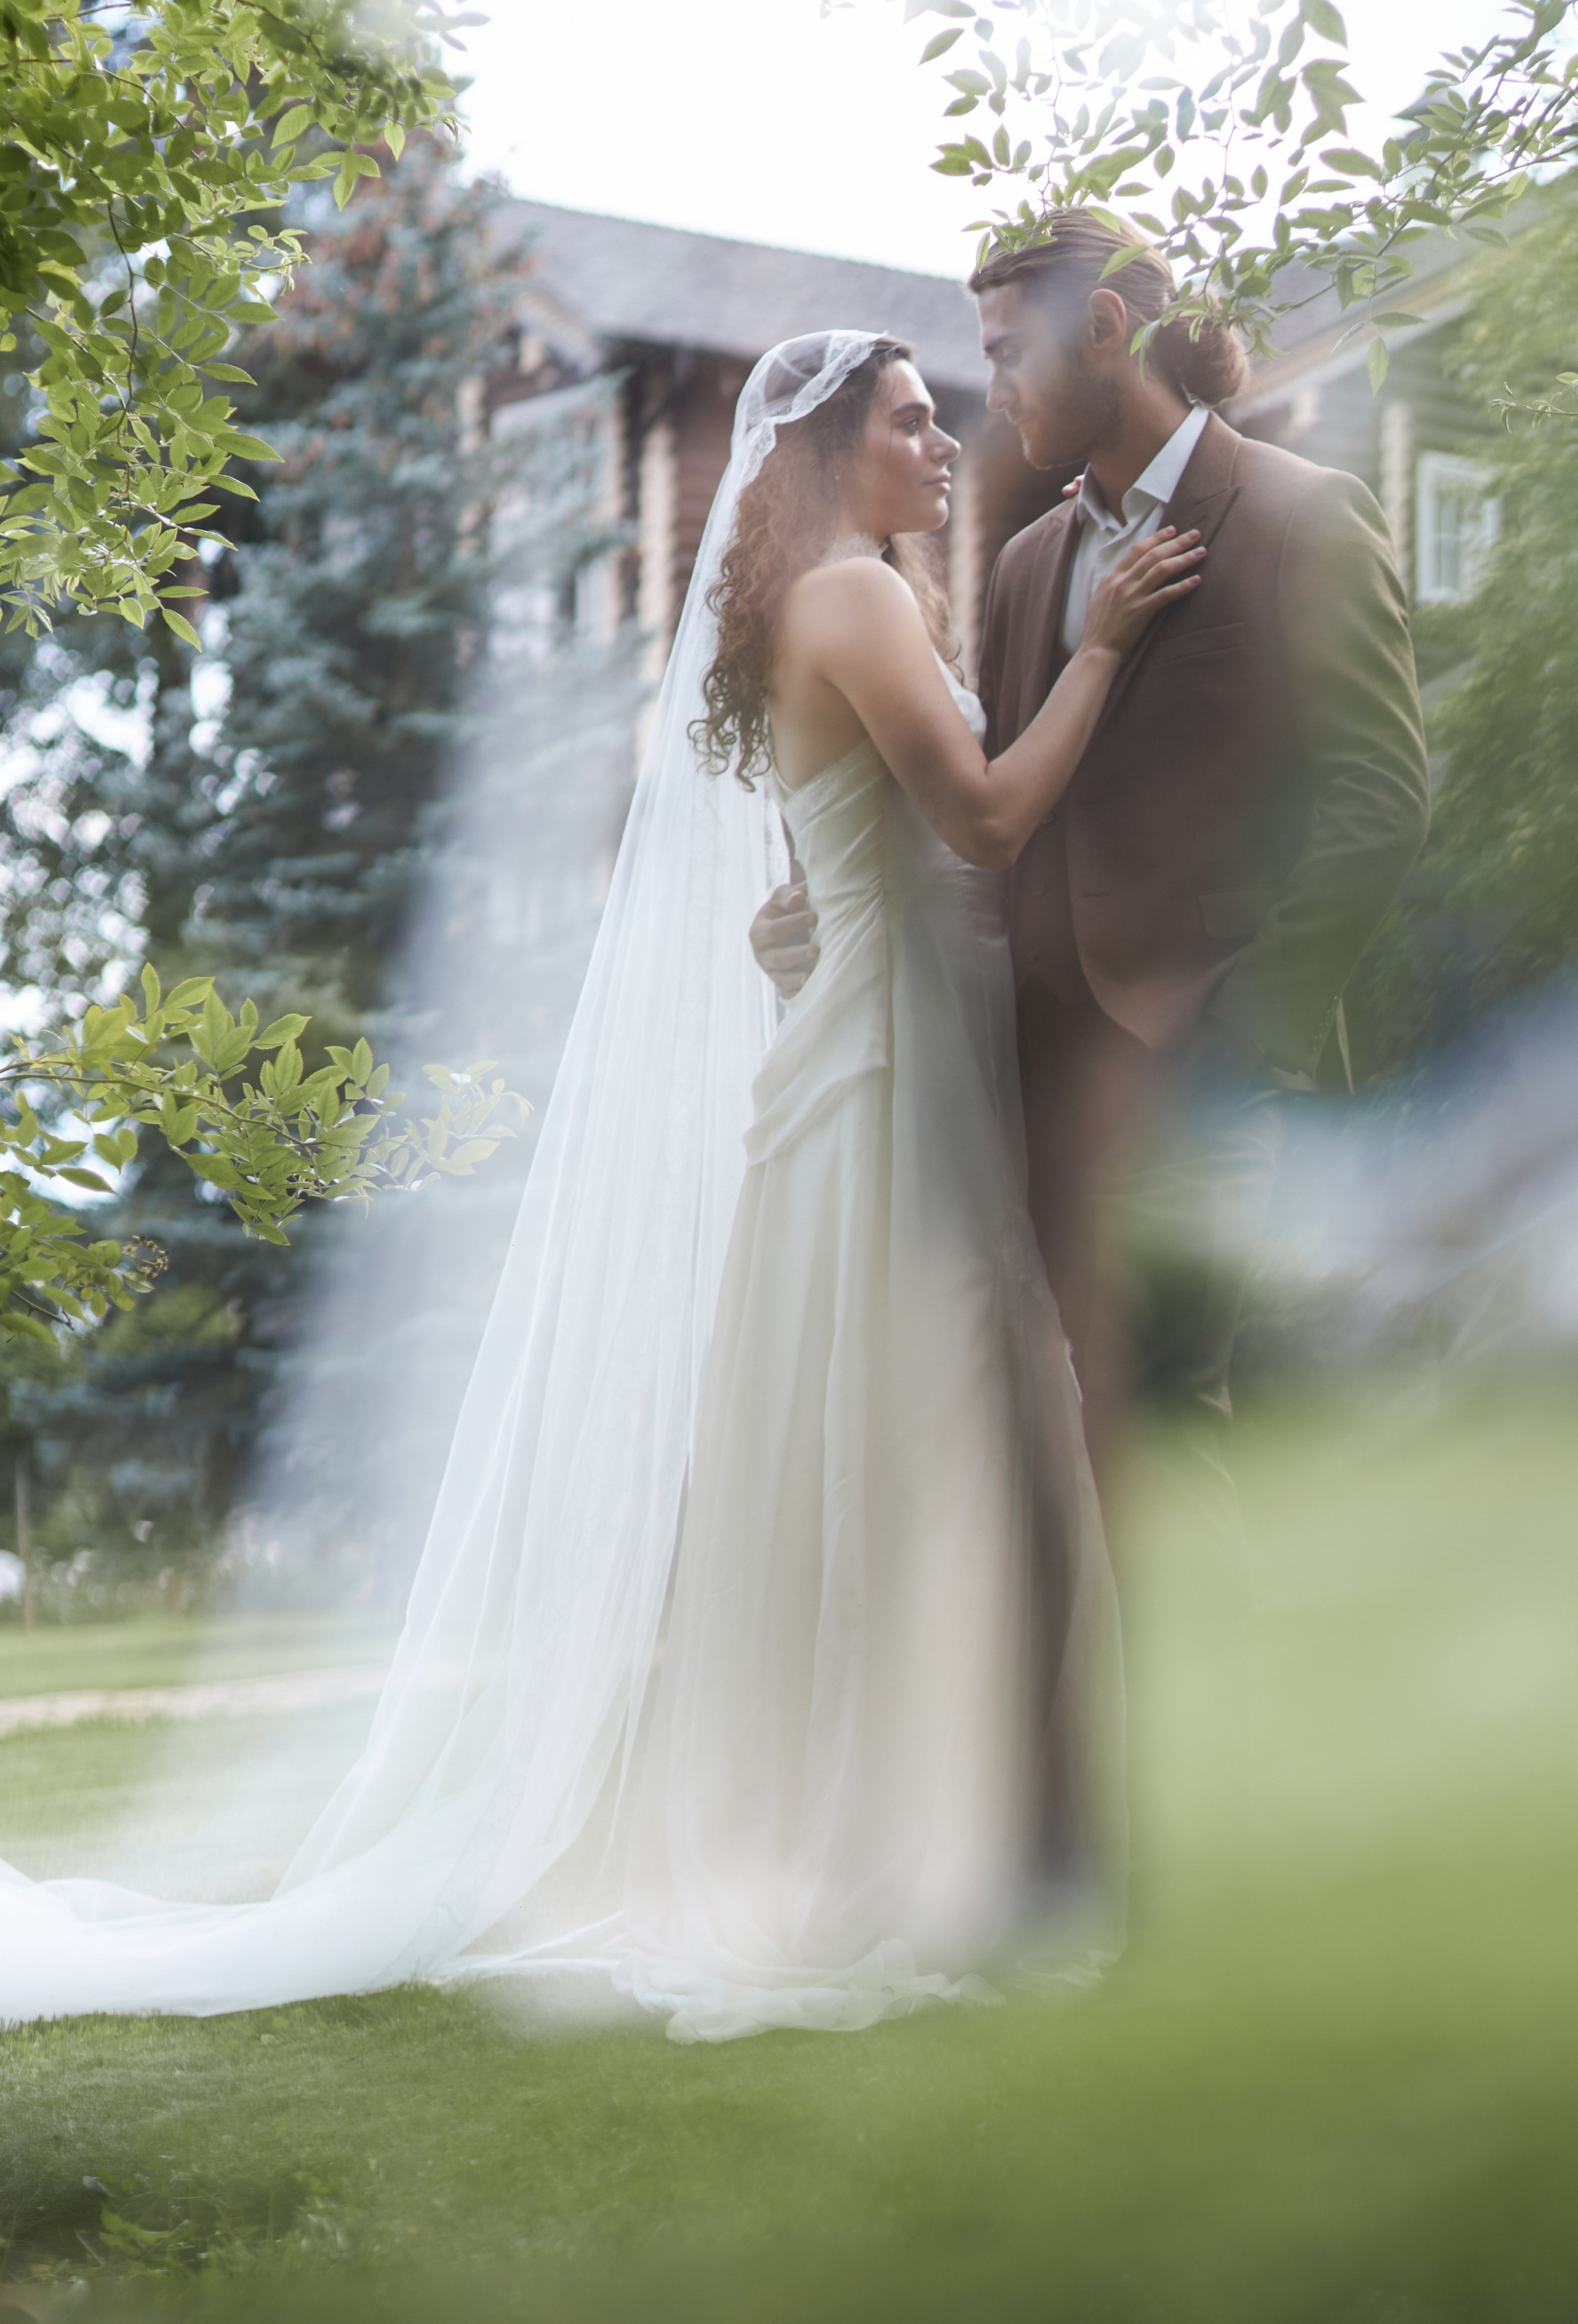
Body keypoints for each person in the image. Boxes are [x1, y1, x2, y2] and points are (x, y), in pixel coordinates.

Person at [0, 330, 1188, 2040]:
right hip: (880, 1087)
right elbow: (986, 821)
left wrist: (831, 928)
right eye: (914, 421)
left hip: (864, 1052)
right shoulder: (855, 596)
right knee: (936, 1447)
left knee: (883, 1455)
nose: (946, 442)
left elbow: (843, 880)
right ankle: (927, 1844)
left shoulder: (811, 604)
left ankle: (932, 1823)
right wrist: (1100, 648)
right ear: (827, 449)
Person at [755, 216, 1431, 1468]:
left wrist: (1235, 1035)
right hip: (1020, 1097)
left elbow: (1379, 801)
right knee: (1054, 1465)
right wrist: (847, 924)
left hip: (1212, 1097)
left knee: (1185, 1437)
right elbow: (1003, 821)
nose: (993, 391)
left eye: (1011, 356)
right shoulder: (1021, 565)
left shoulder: (1304, 516)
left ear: (1108, 333)